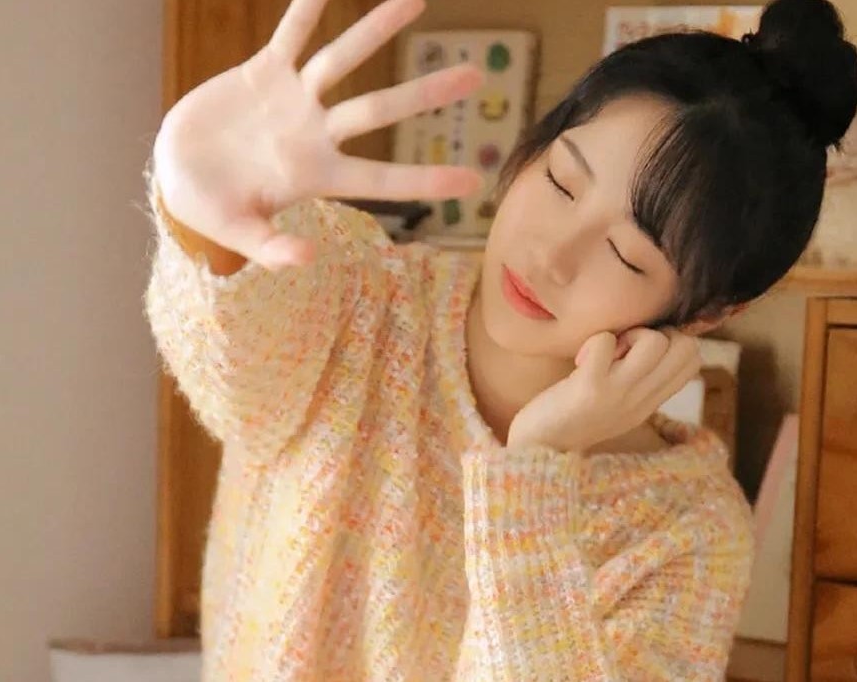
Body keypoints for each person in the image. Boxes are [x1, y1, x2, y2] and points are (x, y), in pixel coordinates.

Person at [141, 0, 857, 678]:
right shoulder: (362, 291)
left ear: (707, 313)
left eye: (627, 255)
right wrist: (203, 218)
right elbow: (233, 375)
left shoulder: (687, 532)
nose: (553, 255)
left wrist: (532, 473)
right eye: (562, 182)